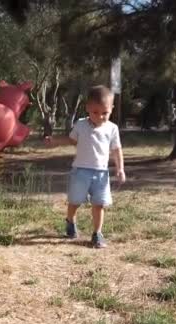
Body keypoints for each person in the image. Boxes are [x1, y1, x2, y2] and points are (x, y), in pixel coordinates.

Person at [45, 85, 126, 248]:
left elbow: (117, 150)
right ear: (88, 108)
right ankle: (70, 221)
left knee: (99, 204)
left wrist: (120, 168)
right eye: (95, 112)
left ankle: (97, 234)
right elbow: (71, 140)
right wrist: (55, 142)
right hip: (80, 171)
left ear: (112, 109)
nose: (100, 116)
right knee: (75, 201)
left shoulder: (112, 129)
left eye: (105, 113)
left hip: (101, 174)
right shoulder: (81, 125)